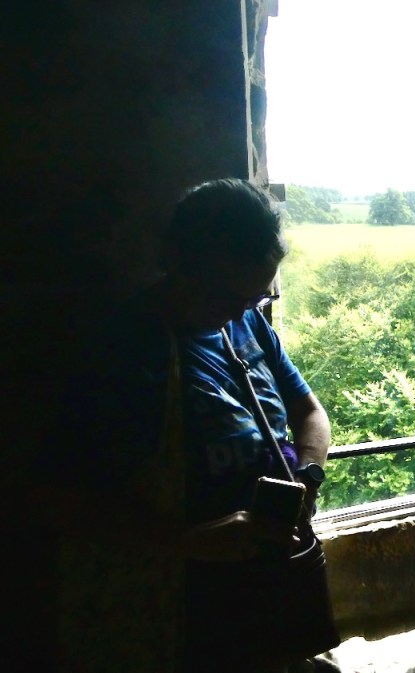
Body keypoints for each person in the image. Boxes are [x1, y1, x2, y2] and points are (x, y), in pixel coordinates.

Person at [35, 179, 337, 672]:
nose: (240, 311)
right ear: (178, 262)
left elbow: (310, 414)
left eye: (257, 296)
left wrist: (308, 475)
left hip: (260, 589)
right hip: (177, 604)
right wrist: (184, 541)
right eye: (226, 295)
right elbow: (55, 499)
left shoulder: (246, 322)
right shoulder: (123, 354)